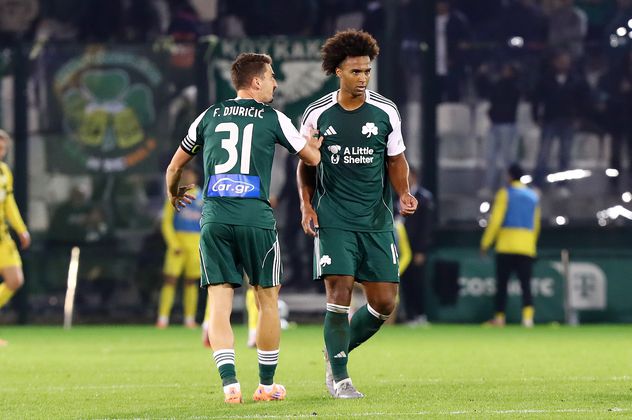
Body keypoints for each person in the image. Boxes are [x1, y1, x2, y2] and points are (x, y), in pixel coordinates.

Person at [165, 53, 322, 404]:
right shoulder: (273, 117)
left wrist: (173, 193)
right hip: (255, 218)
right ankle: (266, 386)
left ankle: (230, 386)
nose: (275, 83)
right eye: (271, 76)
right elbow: (311, 159)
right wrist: (314, 145)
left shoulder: (208, 115)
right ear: (256, 81)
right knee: (267, 299)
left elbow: (173, 168)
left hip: (215, 218)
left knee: (219, 303)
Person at [297, 29, 418, 399]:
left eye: (367, 71)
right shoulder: (317, 113)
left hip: (376, 219)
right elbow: (306, 163)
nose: (363, 78)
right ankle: (341, 379)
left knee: (384, 303)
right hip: (333, 217)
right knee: (340, 291)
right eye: (355, 71)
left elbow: (396, 160)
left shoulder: (386, 111)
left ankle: (335, 350)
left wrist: (404, 192)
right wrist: (306, 204)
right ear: (338, 71)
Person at [480, 163, 540, 328]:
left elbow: (496, 221)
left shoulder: (505, 194)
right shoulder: (533, 196)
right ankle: (528, 318)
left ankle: (499, 318)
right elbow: (536, 224)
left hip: (506, 246)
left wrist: (485, 243)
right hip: (526, 247)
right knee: (526, 284)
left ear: (509, 176)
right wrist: (531, 243)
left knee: (502, 285)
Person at [156, 167, 203, 329]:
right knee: (170, 279)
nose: (187, 177)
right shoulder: (175, 194)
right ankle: (163, 318)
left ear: (196, 176)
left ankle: (189, 319)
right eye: (184, 174)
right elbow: (166, 222)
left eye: (190, 174)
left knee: (191, 281)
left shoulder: (203, 196)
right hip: (178, 242)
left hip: (195, 242)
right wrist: (173, 243)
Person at [0, 130, 31, 347]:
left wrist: (21, 229)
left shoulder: (4, 172)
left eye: (3, 148)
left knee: (15, 280)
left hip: (2, 238)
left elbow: (8, 204)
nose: (0, 152)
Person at [399, 167, 434, 326]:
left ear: (414, 176)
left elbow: (426, 226)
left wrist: (421, 250)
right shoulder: (397, 195)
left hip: (415, 248)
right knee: (405, 282)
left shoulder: (424, 197)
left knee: (418, 282)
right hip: (401, 248)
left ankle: (421, 315)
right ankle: (410, 316)